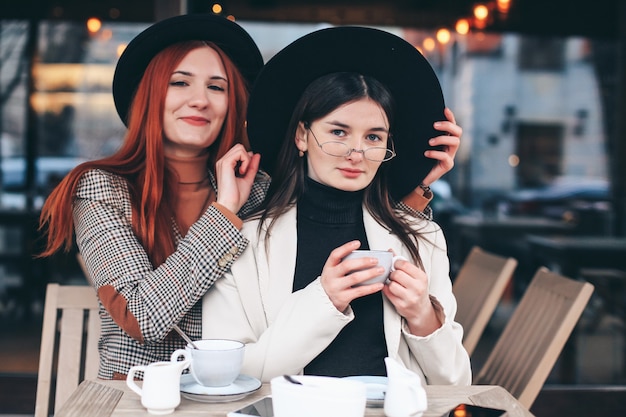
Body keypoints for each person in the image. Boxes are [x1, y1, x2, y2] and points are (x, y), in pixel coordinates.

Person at [38, 15, 460, 380]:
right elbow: (144, 316)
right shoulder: (105, 187)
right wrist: (224, 211)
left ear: (231, 102)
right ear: (151, 95)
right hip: (151, 389)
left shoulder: (255, 185)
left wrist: (417, 186)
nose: (200, 100)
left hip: (241, 392)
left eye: (217, 87)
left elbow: (338, 208)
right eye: (180, 82)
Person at [201, 26, 471, 385]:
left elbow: (456, 382)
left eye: (373, 137)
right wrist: (324, 300)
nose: (357, 153)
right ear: (301, 136)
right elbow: (232, 374)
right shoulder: (243, 242)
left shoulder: (423, 237)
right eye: (338, 132)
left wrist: (423, 316)